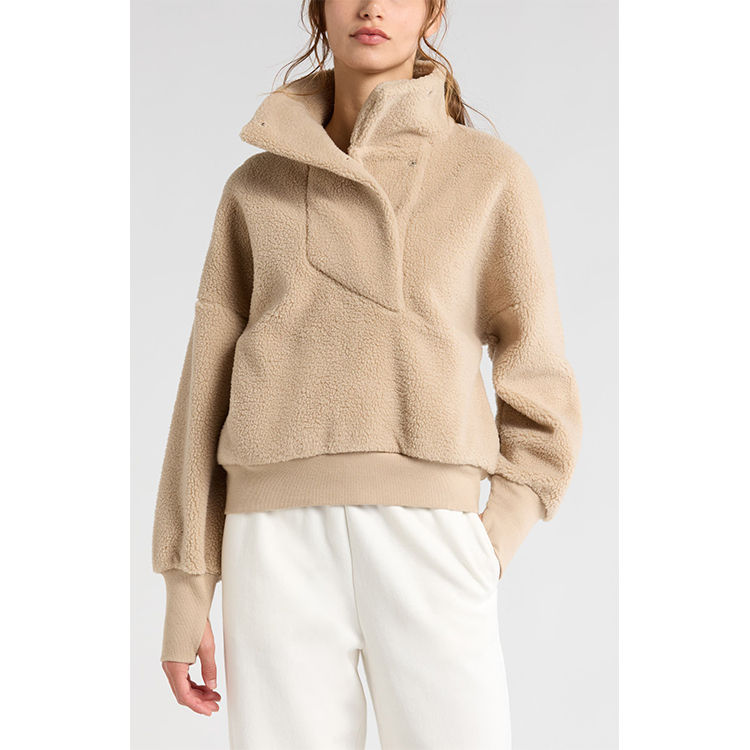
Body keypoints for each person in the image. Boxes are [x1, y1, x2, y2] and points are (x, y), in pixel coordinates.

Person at [151, 1, 583, 747]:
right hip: (272, 540)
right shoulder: (256, 187)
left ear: (434, 13)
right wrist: (189, 584)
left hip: (431, 535)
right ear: (318, 9)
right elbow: (205, 388)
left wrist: (494, 535)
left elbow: (539, 375)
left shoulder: (490, 176)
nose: (373, 7)